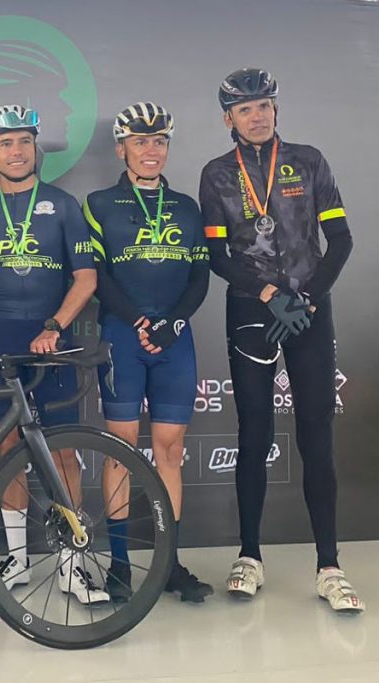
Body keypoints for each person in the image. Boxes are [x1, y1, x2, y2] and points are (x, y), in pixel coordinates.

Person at [199, 68, 361, 612]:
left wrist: (308, 298)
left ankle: (330, 566)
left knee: (316, 432)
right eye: (245, 109)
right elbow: (217, 255)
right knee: (254, 431)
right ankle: (249, 555)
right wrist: (269, 293)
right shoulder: (217, 174)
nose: (258, 116)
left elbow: (340, 239)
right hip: (253, 309)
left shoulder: (308, 161)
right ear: (229, 118)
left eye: (265, 105)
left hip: (310, 309)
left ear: (276, 109)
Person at [0, 104, 103, 604]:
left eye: (25, 141)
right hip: (1, 336)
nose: (17, 151)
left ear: (36, 147)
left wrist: (53, 326)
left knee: (62, 450)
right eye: (6, 143)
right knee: (7, 449)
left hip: (52, 339)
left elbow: (86, 278)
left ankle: (71, 564)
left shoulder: (64, 205)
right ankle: (18, 559)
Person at [84, 102, 213, 604]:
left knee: (170, 450)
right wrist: (141, 322)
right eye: (140, 141)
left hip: (174, 340)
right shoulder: (99, 203)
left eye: (159, 141)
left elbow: (200, 275)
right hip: (123, 336)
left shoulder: (186, 206)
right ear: (122, 149)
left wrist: (173, 322)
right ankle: (119, 565)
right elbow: (97, 276)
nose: (151, 150)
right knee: (120, 447)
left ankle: (168, 564)